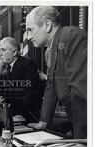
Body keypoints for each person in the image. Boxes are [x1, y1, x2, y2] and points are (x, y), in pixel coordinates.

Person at [26, 6, 87, 139]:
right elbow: (51, 86)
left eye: (30, 30)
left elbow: (80, 90)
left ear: (47, 25)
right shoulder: (50, 51)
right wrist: (43, 122)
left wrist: (81, 138)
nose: (29, 37)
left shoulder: (70, 35)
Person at [0, 37, 42, 123]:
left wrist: (17, 114)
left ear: (14, 52)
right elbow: (1, 96)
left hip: (27, 118)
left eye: (3, 50)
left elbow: (30, 95)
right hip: (10, 117)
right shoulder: (4, 70)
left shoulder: (28, 64)